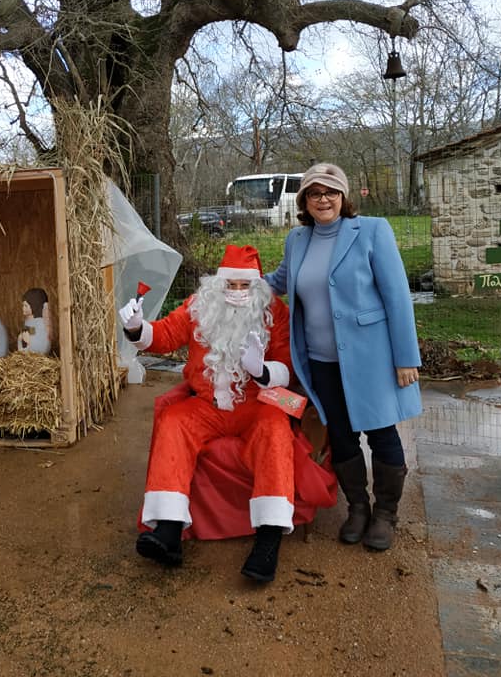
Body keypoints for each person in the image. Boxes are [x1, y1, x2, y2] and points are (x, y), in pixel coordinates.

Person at [264, 163, 422, 551]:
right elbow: (280, 281)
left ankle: (385, 513)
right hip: (319, 360)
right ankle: (357, 508)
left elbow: (398, 296)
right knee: (341, 433)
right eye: (314, 193)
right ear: (304, 201)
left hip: (371, 357)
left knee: (382, 431)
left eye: (331, 192)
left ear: (343, 197)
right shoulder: (297, 240)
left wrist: (406, 357)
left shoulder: (372, 231)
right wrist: (231, 282)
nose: (323, 199)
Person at [119, 243, 295, 583]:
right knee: (174, 422)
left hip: (256, 404)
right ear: (219, 284)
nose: (238, 293)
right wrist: (137, 329)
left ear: (257, 286)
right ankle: (169, 532)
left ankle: (268, 540)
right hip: (207, 404)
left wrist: (261, 370)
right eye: (231, 285)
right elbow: (167, 334)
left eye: (245, 286)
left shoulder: (274, 311)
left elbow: (287, 368)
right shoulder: (200, 306)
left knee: (275, 428)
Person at [17, 287, 53, 354]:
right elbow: (31, 331)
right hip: (28, 352)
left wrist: (29, 340)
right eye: (23, 305)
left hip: (36, 353)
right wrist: (22, 337)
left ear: (34, 305)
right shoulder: (29, 321)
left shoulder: (41, 323)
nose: (23, 308)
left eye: (26, 306)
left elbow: (44, 342)